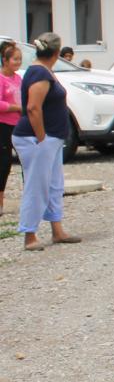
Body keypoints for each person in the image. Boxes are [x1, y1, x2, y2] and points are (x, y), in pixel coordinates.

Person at [11, 32, 81, 251]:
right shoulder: (39, 74)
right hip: (37, 138)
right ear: (57, 52)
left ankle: (57, 230)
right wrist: (41, 137)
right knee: (37, 185)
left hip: (50, 138)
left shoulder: (42, 71)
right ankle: (29, 234)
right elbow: (33, 107)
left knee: (53, 185)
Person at [0, 41, 22, 214]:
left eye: (20, 59)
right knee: (4, 163)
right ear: (5, 61)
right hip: (4, 126)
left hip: (19, 125)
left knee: (26, 160)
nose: (18, 62)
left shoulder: (18, 78)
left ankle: (30, 197)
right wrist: (15, 108)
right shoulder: (1, 78)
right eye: (15, 59)